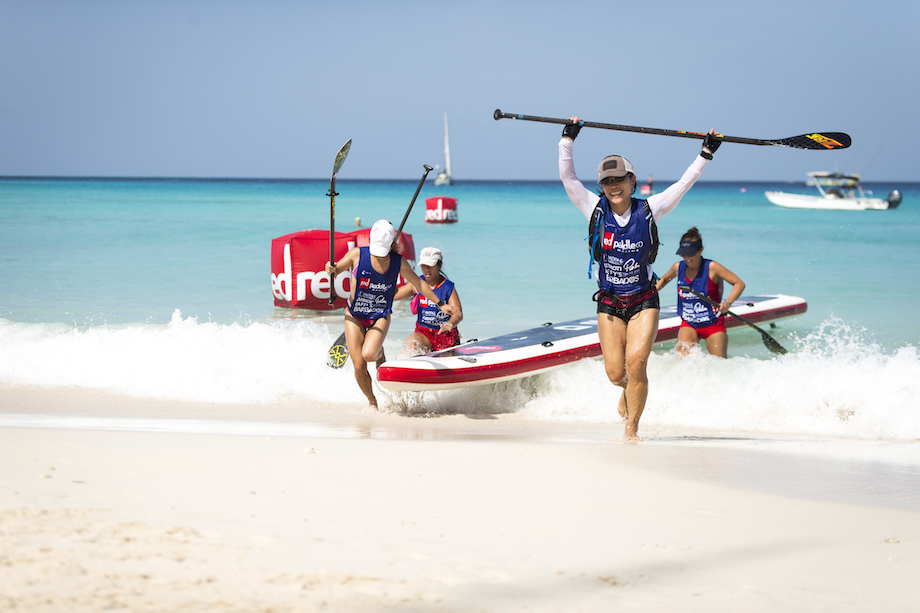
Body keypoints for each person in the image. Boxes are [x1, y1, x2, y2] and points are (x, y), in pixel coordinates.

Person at [559, 116, 720, 441]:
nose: (614, 186)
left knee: (636, 364)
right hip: (609, 301)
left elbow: (682, 185)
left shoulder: (649, 209)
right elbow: (568, 178)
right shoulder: (594, 209)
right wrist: (567, 140)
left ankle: (632, 428)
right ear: (601, 185)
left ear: (632, 180)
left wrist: (705, 154)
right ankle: (629, 389)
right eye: (607, 181)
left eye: (620, 179)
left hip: (644, 299)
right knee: (616, 373)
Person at [325, 220, 460, 408]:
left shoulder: (399, 262)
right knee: (358, 366)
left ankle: (379, 352)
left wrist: (440, 304)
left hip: (380, 315)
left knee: (370, 355)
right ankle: (373, 402)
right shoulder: (357, 255)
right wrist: (331, 268)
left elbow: (419, 284)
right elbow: (337, 268)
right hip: (354, 315)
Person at [655, 227, 745, 358]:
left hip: (713, 323)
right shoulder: (677, 267)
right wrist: (650, 290)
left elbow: (739, 283)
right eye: (684, 254)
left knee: (719, 365)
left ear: (700, 250)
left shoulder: (712, 267)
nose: (687, 258)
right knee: (683, 361)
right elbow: (662, 281)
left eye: (691, 254)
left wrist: (728, 302)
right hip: (689, 323)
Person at [393, 247, 463, 356]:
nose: (426, 269)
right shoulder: (416, 283)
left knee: (444, 360)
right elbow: (394, 295)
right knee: (411, 344)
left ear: (439, 265)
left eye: (430, 266)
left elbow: (458, 315)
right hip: (424, 333)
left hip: (444, 334)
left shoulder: (448, 287)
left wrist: (449, 324)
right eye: (423, 266)